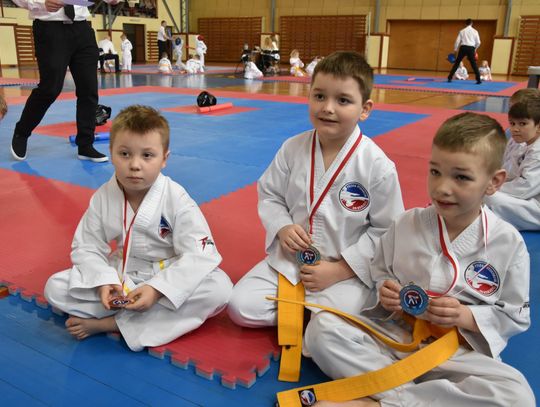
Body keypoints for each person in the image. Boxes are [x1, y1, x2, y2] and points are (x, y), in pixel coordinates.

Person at [304, 112, 534, 407]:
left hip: (457, 352)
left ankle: (381, 400)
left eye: (461, 177)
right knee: (322, 329)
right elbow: (380, 271)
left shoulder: (508, 243)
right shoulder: (406, 223)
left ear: (494, 182)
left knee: (517, 396)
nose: (442, 187)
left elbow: (515, 315)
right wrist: (386, 289)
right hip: (397, 334)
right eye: (435, 171)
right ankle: (411, 399)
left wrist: (465, 316)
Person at [228, 51, 404, 332]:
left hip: (345, 271)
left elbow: (387, 231)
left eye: (343, 100)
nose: (328, 108)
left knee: (329, 327)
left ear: (365, 109)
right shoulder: (292, 148)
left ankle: (318, 318)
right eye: (319, 96)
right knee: (240, 306)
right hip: (292, 262)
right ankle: (313, 316)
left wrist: (339, 270)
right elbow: (270, 195)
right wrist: (282, 226)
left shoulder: (377, 165)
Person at [43, 105, 233, 351]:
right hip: (122, 274)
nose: (134, 165)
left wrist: (157, 290)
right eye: (124, 154)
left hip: (167, 273)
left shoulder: (177, 198)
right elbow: (87, 246)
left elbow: (200, 254)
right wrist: (103, 282)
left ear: (164, 159)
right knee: (55, 287)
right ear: (111, 154)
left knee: (219, 289)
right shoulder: (103, 197)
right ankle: (141, 317)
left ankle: (111, 323)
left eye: (147, 155)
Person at [10, 0, 117, 162]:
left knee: (89, 89)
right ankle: (22, 132)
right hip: (50, 27)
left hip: (82, 28)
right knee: (50, 89)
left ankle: (85, 144)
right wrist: (41, 3)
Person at [484, 94, 540, 230]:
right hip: (527, 198)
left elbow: (525, 188)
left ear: (538, 127)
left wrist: (492, 186)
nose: (515, 129)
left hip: (535, 205)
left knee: (490, 197)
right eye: (512, 123)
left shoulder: (538, 152)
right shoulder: (524, 144)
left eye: (523, 124)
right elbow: (509, 172)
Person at [448, 19, 481, 84]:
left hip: (463, 48)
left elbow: (457, 42)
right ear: (472, 24)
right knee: (473, 64)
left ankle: (449, 78)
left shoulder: (462, 31)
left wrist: (455, 50)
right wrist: (475, 49)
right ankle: (478, 80)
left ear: (465, 24)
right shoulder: (475, 31)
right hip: (471, 48)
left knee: (457, 63)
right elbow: (479, 42)